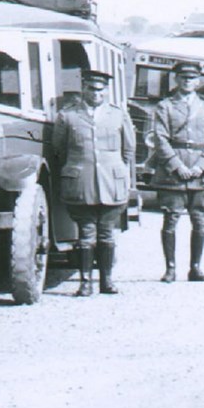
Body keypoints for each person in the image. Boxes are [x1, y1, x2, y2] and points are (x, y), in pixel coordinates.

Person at [52, 69, 135, 297]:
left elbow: (128, 150)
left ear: (106, 91)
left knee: (107, 233)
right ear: (83, 89)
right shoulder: (68, 116)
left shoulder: (119, 115)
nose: (96, 93)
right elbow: (58, 149)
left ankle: (106, 281)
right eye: (91, 88)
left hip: (112, 182)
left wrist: (121, 174)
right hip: (81, 183)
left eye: (100, 89)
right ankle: (86, 282)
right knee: (86, 234)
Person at [151, 61, 204, 282]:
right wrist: (176, 165)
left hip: (201, 172)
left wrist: (202, 165)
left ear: (198, 81)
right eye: (183, 77)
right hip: (174, 172)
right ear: (176, 79)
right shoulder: (165, 106)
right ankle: (170, 268)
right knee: (170, 219)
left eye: (192, 78)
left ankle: (195, 268)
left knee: (199, 220)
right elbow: (160, 138)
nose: (188, 81)